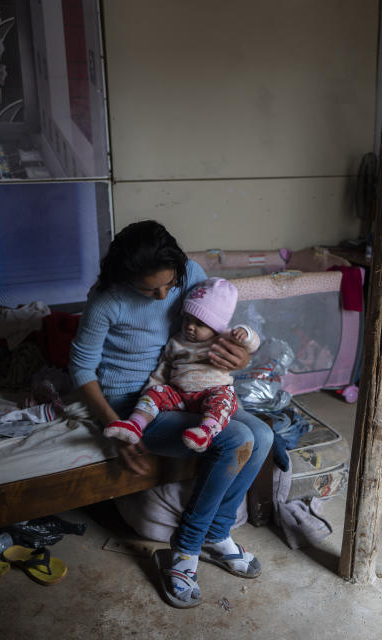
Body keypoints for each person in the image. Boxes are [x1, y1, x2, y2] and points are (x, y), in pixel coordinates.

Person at [68, 220, 272, 608]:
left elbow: (219, 324)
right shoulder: (106, 300)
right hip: (137, 402)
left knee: (263, 435)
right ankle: (184, 549)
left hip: (188, 386)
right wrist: (113, 421)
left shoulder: (191, 274)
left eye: (169, 285)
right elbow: (80, 368)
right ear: (126, 277)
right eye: (150, 289)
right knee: (237, 439)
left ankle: (215, 533)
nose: (164, 296)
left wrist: (241, 355)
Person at [105, 277, 261, 453]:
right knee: (155, 393)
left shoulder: (224, 337)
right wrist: (151, 391)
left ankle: (205, 431)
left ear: (216, 326)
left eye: (199, 324)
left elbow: (252, 345)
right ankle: (134, 425)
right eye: (187, 319)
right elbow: (164, 368)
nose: (190, 327)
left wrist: (245, 334)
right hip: (179, 396)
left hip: (212, 392)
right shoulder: (177, 341)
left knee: (223, 400)